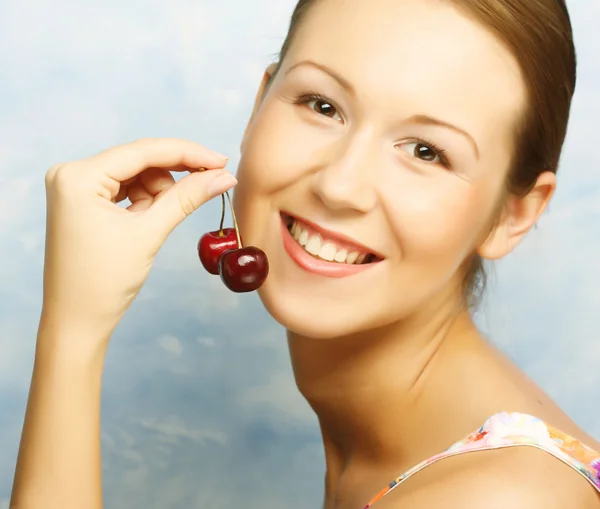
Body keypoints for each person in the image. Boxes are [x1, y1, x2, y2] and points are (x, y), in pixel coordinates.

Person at [9, 0, 600, 507]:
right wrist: (76, 319)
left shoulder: (498, 497)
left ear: (512, 214)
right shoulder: (409, 449)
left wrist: (73, 335)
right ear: (261, 101)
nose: (339, 186)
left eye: (425, 151)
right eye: (322, 105)